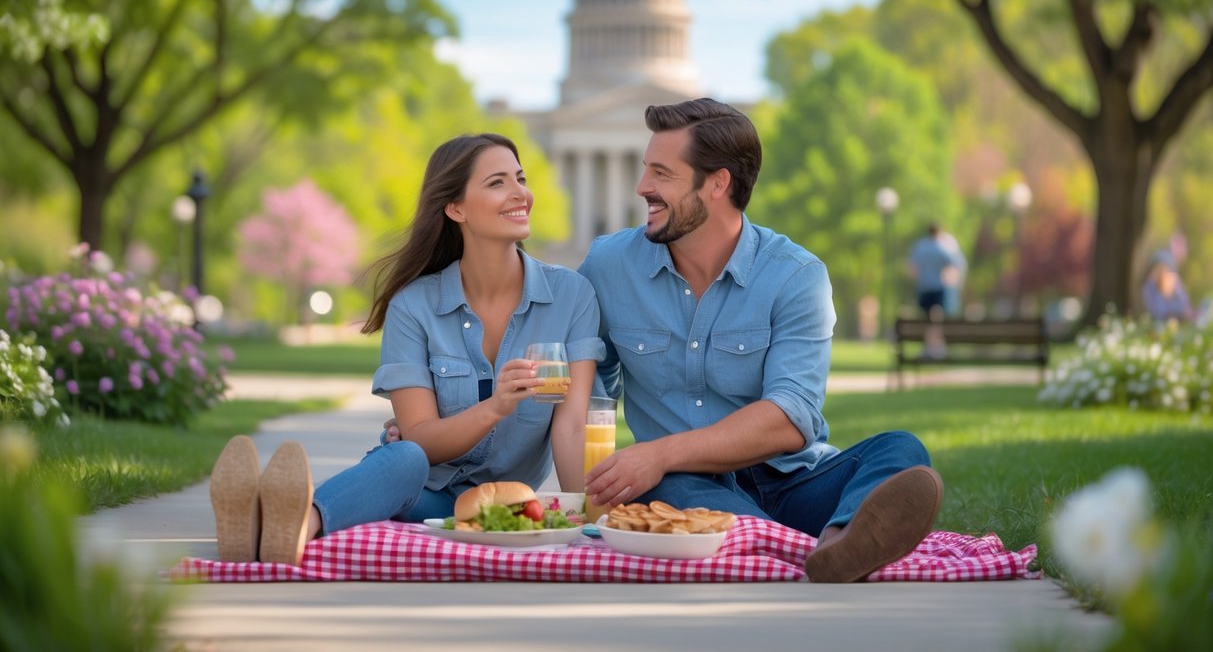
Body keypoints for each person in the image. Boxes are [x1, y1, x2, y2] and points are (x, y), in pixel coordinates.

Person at [577, 98, 943, 584]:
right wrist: (591, 480)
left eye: (662, 174)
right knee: (678, 491)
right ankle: (809, 547)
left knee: (901, 452)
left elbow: (793, 417)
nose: (643, 187)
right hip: (689, 486)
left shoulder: (796, 275)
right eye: (646, 170)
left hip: (795, 480)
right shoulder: (608, 265)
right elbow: (588, 391)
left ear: (718, 183)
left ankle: (826, 546)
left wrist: (660, 453)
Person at [209, 133, 604, 565]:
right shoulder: (414, 306)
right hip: (424, 495)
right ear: (455, 208)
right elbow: (421, 441)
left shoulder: (571, 297)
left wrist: (589, 523)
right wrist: (496, 406)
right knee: (405, 458)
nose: (521, 194)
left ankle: (260, 524)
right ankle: (294, 528)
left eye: (520, 178)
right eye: (497, 183)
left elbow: (570, 428)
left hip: (502, 509)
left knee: (405, 457)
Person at [907, 223, 961, 319]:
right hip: (938, 287)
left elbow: (912, 267)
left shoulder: (920, 247)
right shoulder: (941, 247)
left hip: (923, 286)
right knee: (938, 316)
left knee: (925, 316)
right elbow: (952, 263)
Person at [1141, 250, 1193, 324]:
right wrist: (1162, 291)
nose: (1162, 272)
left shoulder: (1175, 284)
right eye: (1159, 268)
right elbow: (1156, 312)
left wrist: (1171, 291)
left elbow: (1184, 307)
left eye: (1165, 268)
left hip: (1180, 321)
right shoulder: (1150, 287)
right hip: (1160, 323)